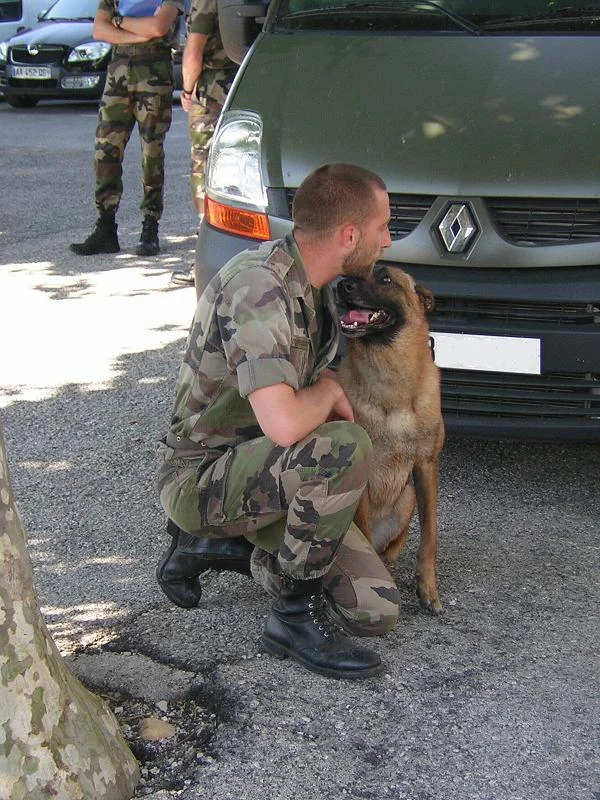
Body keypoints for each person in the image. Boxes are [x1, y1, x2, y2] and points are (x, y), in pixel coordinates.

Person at [156, 163, 399, 680]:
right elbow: (288, 426)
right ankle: (291, 616)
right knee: (343, 446)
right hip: (203, 478)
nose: (389, 241)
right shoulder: (258, 287)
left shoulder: (316, 288)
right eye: (383, 227)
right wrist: (330, 388)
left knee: (374, 610)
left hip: (268, 472)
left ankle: (222, 545)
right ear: (349, 235)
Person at [70, 0, 184, 258]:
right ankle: (106, 227)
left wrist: (119, 22)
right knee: (105, 149)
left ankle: (150, 227)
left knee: (151, 153)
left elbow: (158, 26)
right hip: (118, 72)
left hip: (153, 72)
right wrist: (141, 30)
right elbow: (99, 30)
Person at [171, 0, 237, 285]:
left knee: (204, 170)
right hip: (238, 83)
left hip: (211, 91)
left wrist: (187, 90)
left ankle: (204, 256)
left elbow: (194, 48)